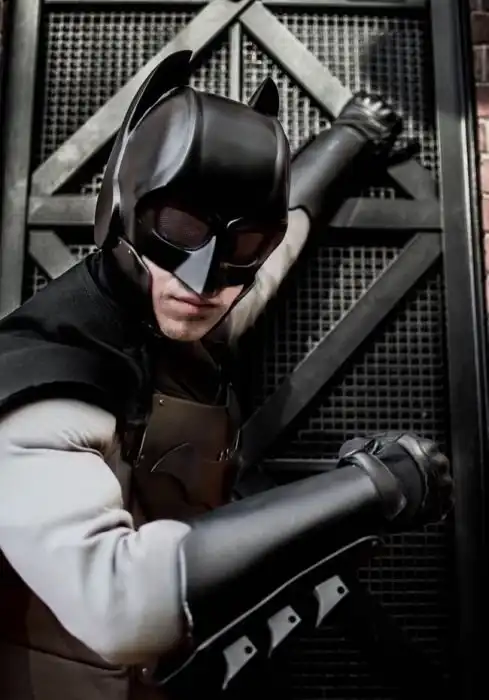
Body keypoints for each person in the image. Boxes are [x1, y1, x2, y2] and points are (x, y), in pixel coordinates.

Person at [0, 50, 452, 700]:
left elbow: (280, 245)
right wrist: (369, 488)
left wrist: (351, 135)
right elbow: (119, 606)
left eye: (240, 245)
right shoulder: (43, 386)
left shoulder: (191, 309)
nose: (203, 280)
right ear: (124, 210)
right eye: (178, 228)